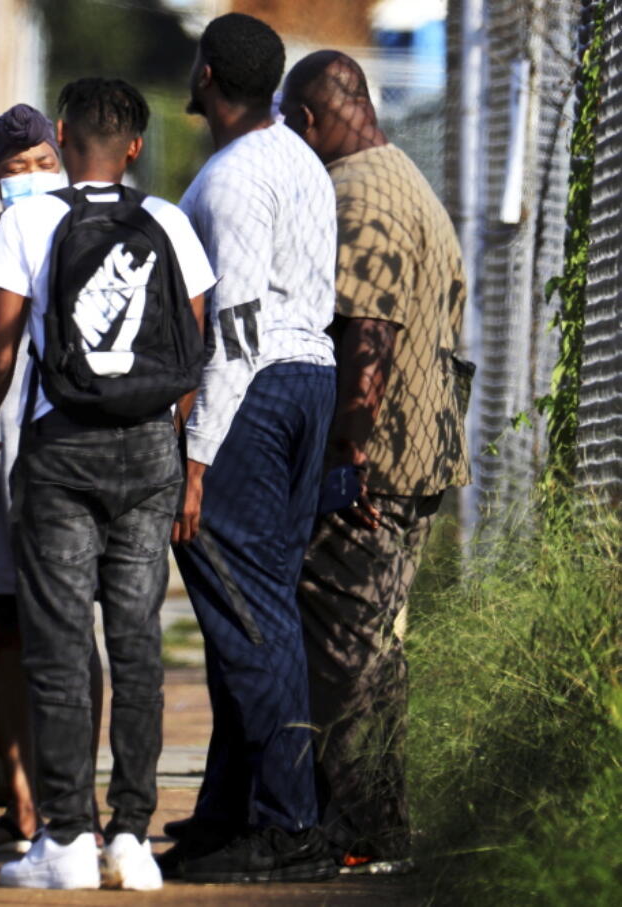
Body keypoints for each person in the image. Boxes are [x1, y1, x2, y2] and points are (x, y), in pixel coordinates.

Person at [0, 77, 213, 891]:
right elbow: (194, 348)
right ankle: (132, 838)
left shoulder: (28, 220)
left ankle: (65, 838)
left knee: (60, 642)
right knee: (137, 641)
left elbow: (1, 348)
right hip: (147, 450)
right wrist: (170, 441)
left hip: (59, 449)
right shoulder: (168, 221)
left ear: (62, 136)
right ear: (135, 146)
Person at [281, 50, 471, 873]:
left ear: (316, 117)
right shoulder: (405, 181)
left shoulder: (360, 194)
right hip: (417, 451)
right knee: (377, 647)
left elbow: (367, 335)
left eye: (296, 123)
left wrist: (345, 455)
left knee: (346, 649)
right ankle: (380, 827)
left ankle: (356, 830)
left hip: (377, 464)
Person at [162, 13, 339, 884]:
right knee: (258, 607)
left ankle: (286, 822)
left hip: (258, 391)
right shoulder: (298, 159)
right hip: (310, 377)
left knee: (249, 609)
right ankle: (228, 811)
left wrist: (196, 455)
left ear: (206, 75)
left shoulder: (231, 179)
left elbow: (232, 330)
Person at [0, 104, 105, 858]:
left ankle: (79, 796)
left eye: (44, 164)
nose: (32, 181)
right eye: (15, 172)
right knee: (3, 635)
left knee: (76, 631)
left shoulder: (97, 235)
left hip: (74, 464)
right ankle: (22, 804)